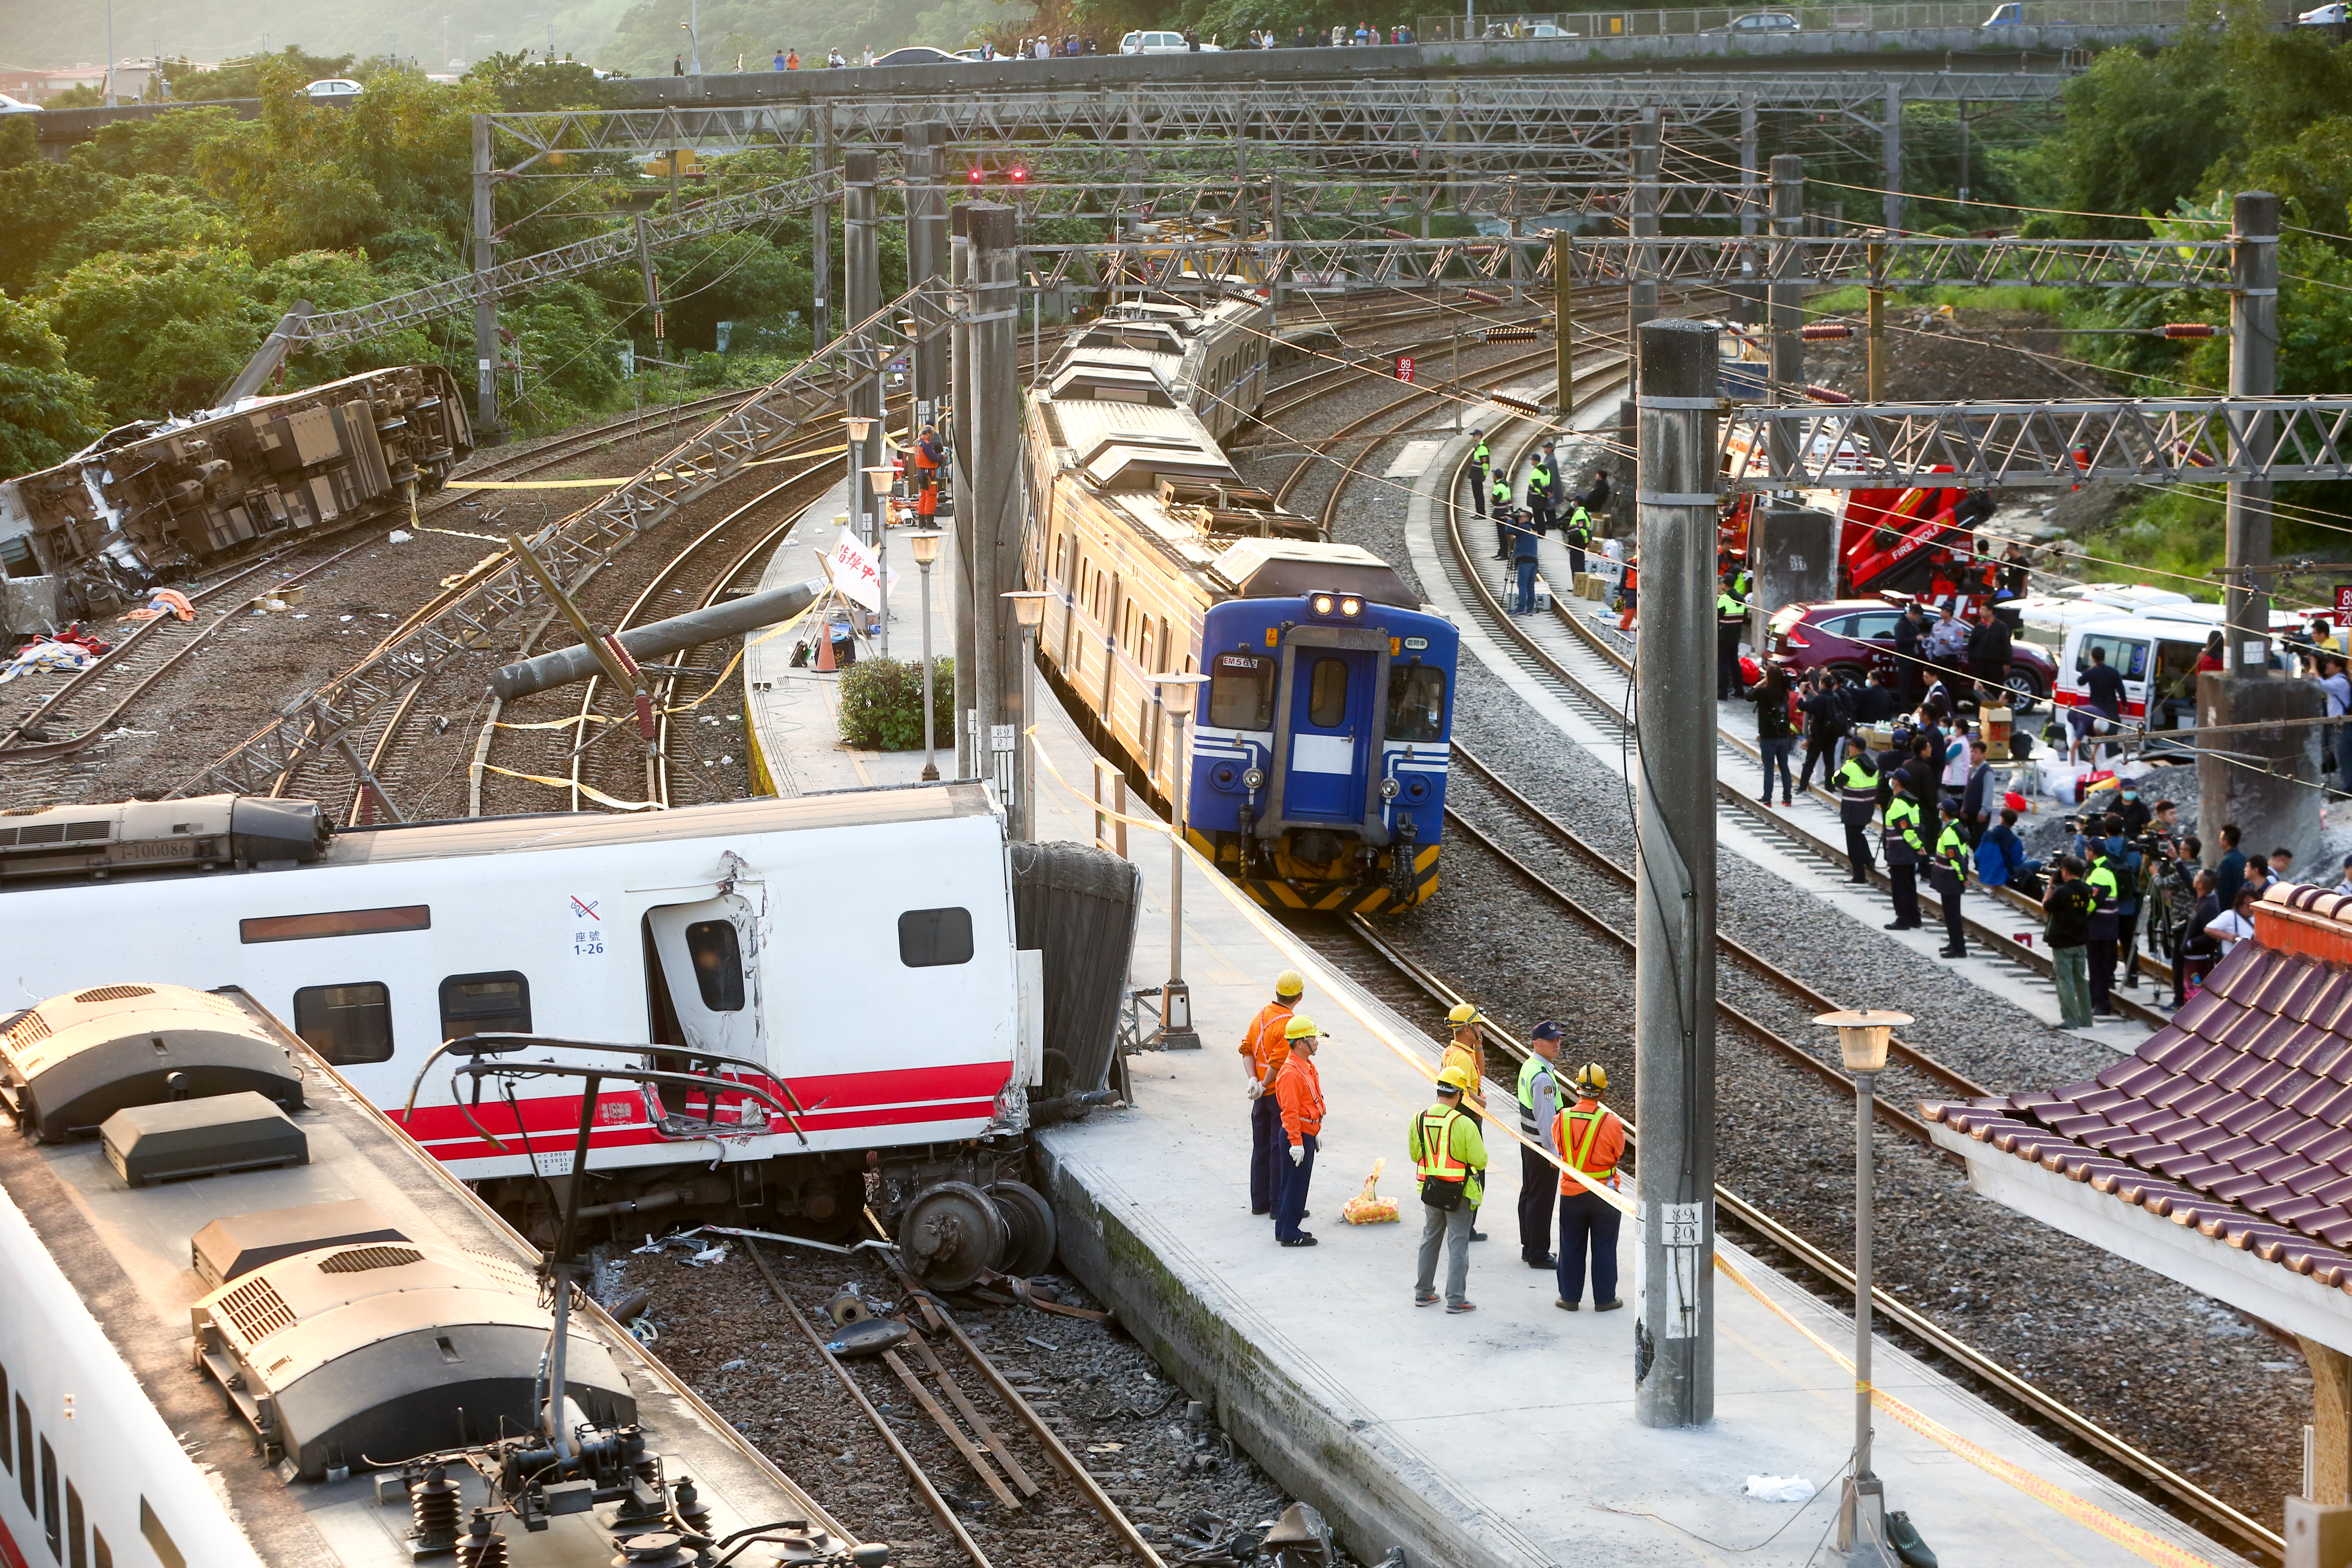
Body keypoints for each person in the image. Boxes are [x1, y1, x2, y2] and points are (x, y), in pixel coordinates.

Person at [1410, 1067, 1487, 1313]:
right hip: (1459, 1193)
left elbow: (1415, 1155)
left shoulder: (1419, 1118)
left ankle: (1424, 1293)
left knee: (1430, 1238)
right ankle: (1456, 1299)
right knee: (1458, 1243)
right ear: (1460, 1095)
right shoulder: (1463, 1123)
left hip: (1431, 1190)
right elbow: (1480, 1160)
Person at [1551, 1062, 1625, 1312]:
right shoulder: (1612, 1123)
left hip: (1571, 1193)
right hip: (1605, 1194)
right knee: (1605, 1246)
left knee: (1570, 1246)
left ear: (1577, 1089)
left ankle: (1569, 1298)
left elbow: (1559, 1148)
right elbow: (1618, 1154)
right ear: (1603, 1093)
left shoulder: (1562, 1118)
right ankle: (1605, 1300)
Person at [1238, 970, 1303, 1217]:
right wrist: (1265, 1084)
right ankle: (1279, 1206)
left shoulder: (1261, 1016)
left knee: (1261, 1147)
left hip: (1261, 1097)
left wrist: (1253, 1080)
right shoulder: (1289, 1024)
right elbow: (1278, 1062)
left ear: (1276, 992)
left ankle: (1260, 1203)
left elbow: (1246, 1049)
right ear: (1300, 996)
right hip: (1277, 1094)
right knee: (1279, 1148)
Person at [1515, 1022, 1566, 1270]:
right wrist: (1553, 1154)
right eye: (1551, 1040)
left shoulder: (1529, 1066)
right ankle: (1538, 1253)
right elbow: (1547, 1121)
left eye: (1558, 1039)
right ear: (1537, 1044)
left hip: (1529, 1143)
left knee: (1529, 1194)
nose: (1557, 1044)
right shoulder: (1543, 1077)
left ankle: (1529, 1246)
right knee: (1542, 1200)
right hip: (1541, 1146)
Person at [1438, 1003, 1490, 1241]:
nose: (1481, 1028)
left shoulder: (1454, 1052)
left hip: (1457, 1118)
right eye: (1477, 1025)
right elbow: (1464, 1097)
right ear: (1468, 1029)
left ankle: (1463, 1223)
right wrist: (1482, 1104)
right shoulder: (1462, 1059)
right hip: (1467, 1120)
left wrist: (1479, 1045)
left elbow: (1482, 1070)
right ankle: (1465, 1226)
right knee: (1475, 1173)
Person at [1273, 1017, 1324, 1247]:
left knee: (1290, 1184)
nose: (1317, 1042)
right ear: (1301, 1043)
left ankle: (1284, 1227)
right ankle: (1291, 1234)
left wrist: (1315, 1131)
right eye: (1313, 1038)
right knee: (1296, 1186)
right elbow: (1290, 1112)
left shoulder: (1306, 1067)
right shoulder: (1291, 1073)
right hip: (1298, 1136)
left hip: (1306, 1133)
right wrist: (1297, 1142)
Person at [2044, 857, 2096, 1028]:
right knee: (2081, 980)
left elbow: (2046, 905)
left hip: (2063, 942)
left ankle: (2071, 1020)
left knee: (2065, 981)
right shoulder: (2087, 890)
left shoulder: (2062, 892)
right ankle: (2086, 1019)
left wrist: (2051, 886)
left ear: (2065, 872)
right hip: (2080, 941)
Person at [1882, 770, 1925, 930]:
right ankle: (1915, 917)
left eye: (1892, 779)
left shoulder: (1898, 803)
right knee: (1909, 885)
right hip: (1909, 852)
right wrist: (1919, 845)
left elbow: (1905, 830)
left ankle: (1903, 919)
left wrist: (1917, 846)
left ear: (1897, 782)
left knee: (1899, 887)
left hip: (1899, 851)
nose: (1890, 781)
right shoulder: (1912, 802)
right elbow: (1919, 828)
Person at [2084, 839, 2122, 1016]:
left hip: (2100, 929)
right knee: (2099, 966)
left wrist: (2080, 913)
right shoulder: (2102, 869)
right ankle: (2096, 1001)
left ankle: (2101, 1004)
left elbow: (2093, 902)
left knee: (2098, 966)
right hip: (2104, 928)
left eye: (2087, 849)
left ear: (2092, 852)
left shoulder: (2101, 873)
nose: (2085, 852)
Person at [1835, 738, 1881, 883]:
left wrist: (1838, 772)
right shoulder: (1873, 766)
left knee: (1853, 842)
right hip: (1867, 808)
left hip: (1852, 808)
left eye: (1850, 746)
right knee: (1858, 834)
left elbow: (1836, 781)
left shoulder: (1850, 766)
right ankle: (1869, 860)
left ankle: (1859, 875)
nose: (1849, 749)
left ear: (1855, 748)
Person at [1796, 671, 1848, 795]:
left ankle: (1803, 786)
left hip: (1818, 735)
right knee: (1829, 761)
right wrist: (1813, 692)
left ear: (1823, 684)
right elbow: (1824, 701)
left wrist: (1801, 692)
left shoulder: (1820, 700)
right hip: (1832, 735)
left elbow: (1804, 706)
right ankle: (1829, 787)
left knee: (1810, 761)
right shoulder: (1835, 697)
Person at [1751, 664, 1795, 805]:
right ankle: (1787, 798)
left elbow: (1748, 696)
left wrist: (1761, 683)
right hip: (1783, 736)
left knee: (1769, 768)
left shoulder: (1763, 692)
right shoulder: (1784, 693)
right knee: (1784, 767)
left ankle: (1767, 798)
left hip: (1768, 736)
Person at [1931, 808, 1972, 958]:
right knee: (1951, 913)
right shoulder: (1957, 827)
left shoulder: (1949, 833)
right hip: (1951, 878)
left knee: (1952, 915)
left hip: (1950, 879)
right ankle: (1954, 943)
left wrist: (1963, 878)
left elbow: (1955, 859)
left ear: (1944, 812)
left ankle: (1959, 949)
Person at [2073, 645, 2126, 762]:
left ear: (2093, 658)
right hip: (2111, 707)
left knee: (2097, 737)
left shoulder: (2091, 672)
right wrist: (2125, 704)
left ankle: (2096, 762)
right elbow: (2121, 690)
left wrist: (2087, 670)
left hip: (2097, 709)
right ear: (2104, 657)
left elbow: (2080, 682)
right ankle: (2113, 762)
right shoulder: (2114, 672)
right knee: (2112, 737)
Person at [1976, 807, 2040, 895]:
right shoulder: (2015, 841)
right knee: (2037, 864)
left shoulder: (1987, 835)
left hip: (1983, 874)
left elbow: (1978, 856)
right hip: (2001, 877)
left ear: (2001, 819)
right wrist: (2024, 857)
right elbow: (2016, 863)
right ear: (2013, 823)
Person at [1969, 605, 2013, 706]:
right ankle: (1980, 712)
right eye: (1980, 609)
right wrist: (1972, 660)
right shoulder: (1979, 626)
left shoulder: (2001, 627)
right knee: (1979, 689)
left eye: (1984, 609)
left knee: (1995, 689)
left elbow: (2006, 645)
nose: (1981, 612)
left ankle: (1995, 709)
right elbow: (1972, 645)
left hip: (1995, 664)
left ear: (1991, 612)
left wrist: (2007, 663)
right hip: (1980, 664)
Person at [1716, 574, 1746, 702]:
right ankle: (1739, 690)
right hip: (1736, 637)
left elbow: (1716, 616)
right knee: (1734, 663)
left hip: (1724, 637)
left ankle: (1722, 693)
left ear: (1724, 584)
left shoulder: (1724, 599)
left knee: (1722, 664)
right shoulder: (1741, 600)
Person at [1892, 601, 1928, 707]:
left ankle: (1909, 706)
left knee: (1911, 686)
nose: (1918, 620)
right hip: (1904, 660)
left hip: (1913, 659)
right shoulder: (1901, 625)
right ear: (1912, 614)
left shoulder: (1913, 624)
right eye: (1917, 617)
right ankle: (1904, 709)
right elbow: (1900, 642)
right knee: (1905, 686)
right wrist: (1915, 639)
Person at [1958, 737, 1993, 844]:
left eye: (1976, 752)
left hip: (1980, 816)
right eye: (1971, 752)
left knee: (1978, 843)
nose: (1972, 755)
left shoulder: (1987, 772)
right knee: (1971, 841)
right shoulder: (1972, 770)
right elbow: (1968, 791)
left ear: (1984, 755)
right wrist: (1964, 807)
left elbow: (1988, 793)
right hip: (1970, 814)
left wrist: (1984, 811)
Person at [2209, 885, 2260, 955]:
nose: (2252, 909)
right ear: (2240, 904)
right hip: (2232, 959)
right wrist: (2228, 937)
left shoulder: (2255, 917)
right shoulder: (2229, 915)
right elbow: (2209, 929)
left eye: (2255, 906)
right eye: (2249, 906)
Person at [1510, 509, 1541, 615]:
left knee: (1522, 585)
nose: (1519, 518)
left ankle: (1521, 608)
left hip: (1524, 560)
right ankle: (1530, 609)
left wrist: (1510, 520)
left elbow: (1509, 530)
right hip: (1533, 560)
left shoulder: (1524, 527)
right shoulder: (1532, 528)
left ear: (1527, 518)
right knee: (1530, 586)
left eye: (1521, 517)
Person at [2215, 821, 2247, 910]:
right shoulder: (2244, 858)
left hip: (2227, 907)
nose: (2220, 841)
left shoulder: (2227, 862)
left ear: (2226, 842)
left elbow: (2222, 890)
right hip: (2241, 906)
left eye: (2221, 839)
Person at [1467, 429, 1490, 519]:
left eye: (1474, 436)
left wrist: (1484, 475)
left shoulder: (1483, 449)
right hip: (1475, 474)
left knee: (1479, 495)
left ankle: (1481, 514)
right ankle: (1478, 513)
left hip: (1479, 475)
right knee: (1476, 495)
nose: (1473, 438)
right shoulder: (1478, 447)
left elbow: (1485, 464)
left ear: (1479, 436)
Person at [1490, 470, 1513, 558]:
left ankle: (1504, 553)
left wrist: (1492, 501)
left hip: (1500, 513)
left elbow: (1494, 501)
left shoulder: (1499, 487)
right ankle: (1501, 551)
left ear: (1496, 476)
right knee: (1503, 533)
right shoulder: (1506, 486)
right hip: (1506, 512)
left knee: (1502, 534)